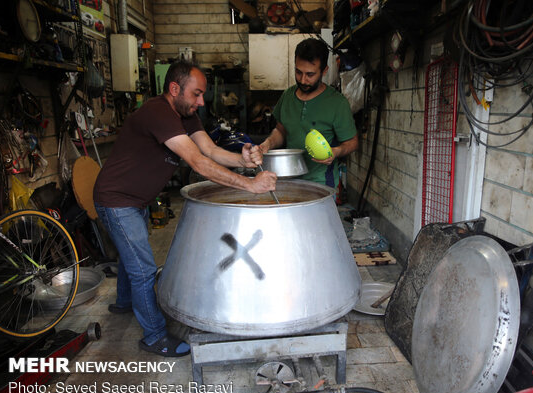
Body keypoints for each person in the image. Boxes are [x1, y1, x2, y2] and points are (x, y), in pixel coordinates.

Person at [93, 61, 277, 357]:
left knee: (132, 255)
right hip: (117, 200)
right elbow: (198, 163)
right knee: (143, 270)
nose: (201, 102)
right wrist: (250, 184)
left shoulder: (185, 115)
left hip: (135, 199)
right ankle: (153, 336)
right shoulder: (158, 112)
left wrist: (242, 160)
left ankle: (125, 303)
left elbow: (212, 151)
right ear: (174, 89)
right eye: (197, 94)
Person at [259, 38, 358, 189]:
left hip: (321, 183)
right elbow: (281, 130)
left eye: (310, 74)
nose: (303, 80)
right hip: (289, 178)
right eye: (298, 72)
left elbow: (352, 142)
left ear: (324, 71)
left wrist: (336, 152)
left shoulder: (337, 103)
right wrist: (267, 144)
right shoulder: (287, 96)